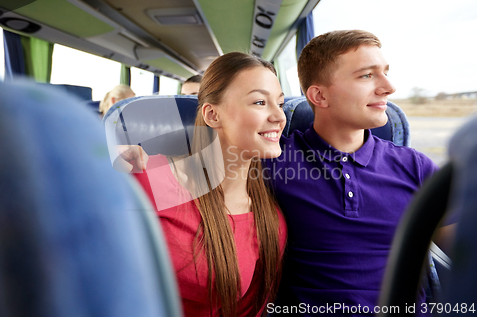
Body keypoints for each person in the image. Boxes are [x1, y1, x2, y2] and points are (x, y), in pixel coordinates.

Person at [263, 30, 439, 316]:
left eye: (385, 73)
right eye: (367, 76)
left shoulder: (415, 167)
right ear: (319, 95)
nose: (388, 87)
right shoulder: (274, 161)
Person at [116, 52, 287, 317]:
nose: (279, 116)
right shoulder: (145, 179)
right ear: (212, 115)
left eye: (280, 103)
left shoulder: (269, 222)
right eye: (260, 102)